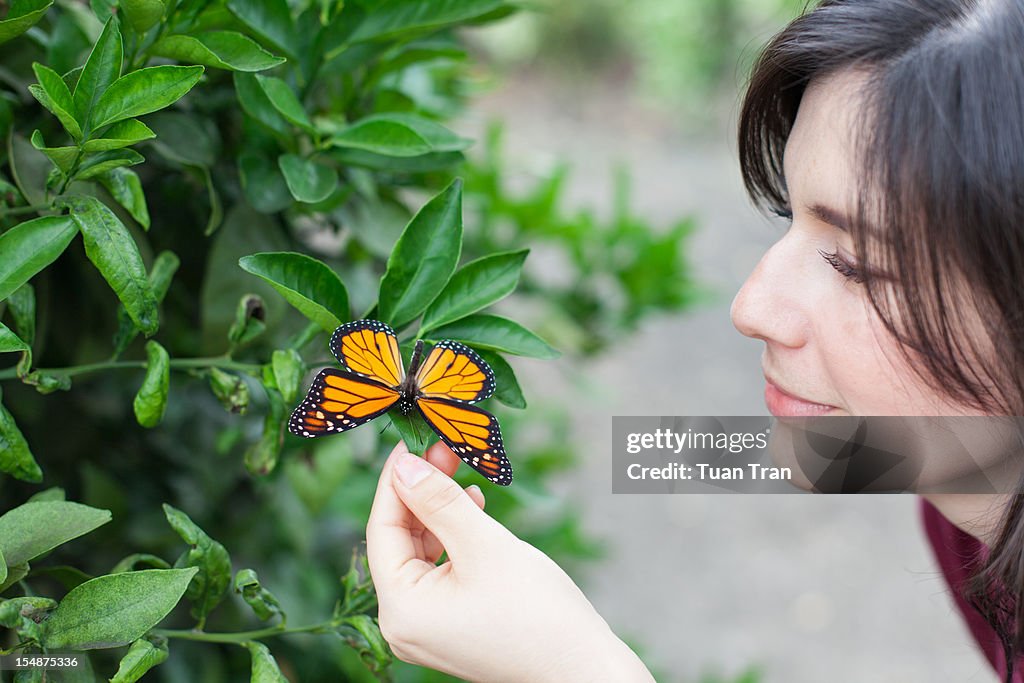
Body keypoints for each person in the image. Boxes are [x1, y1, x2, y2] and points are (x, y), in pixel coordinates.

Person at [366, 0, 1024, 680]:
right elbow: (698, 453)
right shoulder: (964, 467)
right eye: (788, 214)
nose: (751, 307)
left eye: (857, 262)